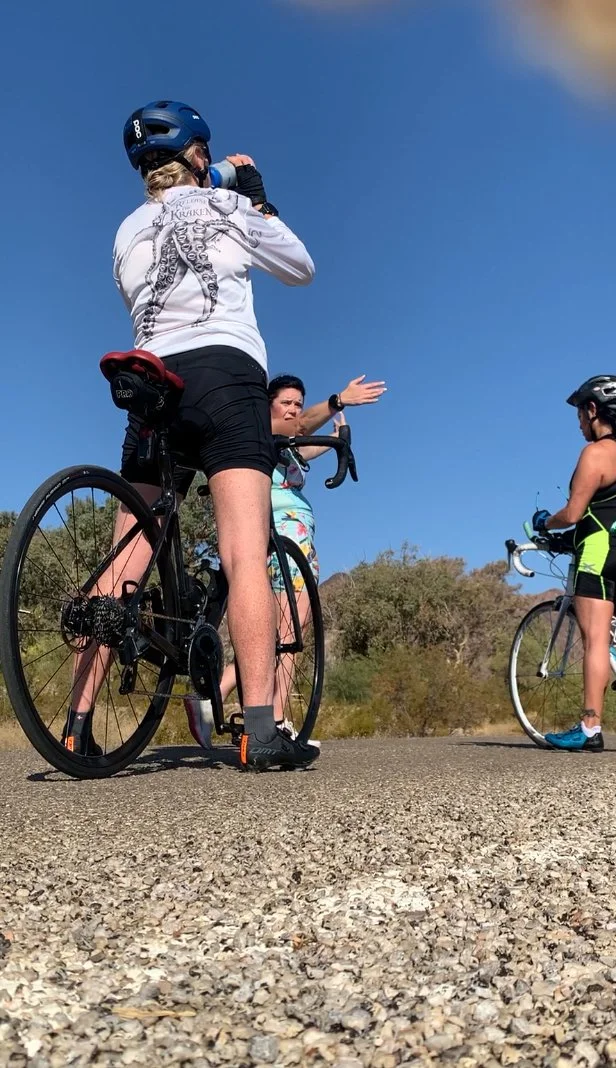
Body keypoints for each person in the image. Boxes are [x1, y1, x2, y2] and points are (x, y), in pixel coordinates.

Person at [64, 99, 319, 771]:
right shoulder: (226, 207)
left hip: (151, 378)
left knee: (124, 563)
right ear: (200, 157)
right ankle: (261, 733)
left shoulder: (126, 229)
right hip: (225, 374)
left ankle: (76, 725)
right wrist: (255, 196)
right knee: (243, 552)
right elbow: (300, 265)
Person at [184, 371, 387, 748]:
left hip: (282, 533)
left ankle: (218, 701)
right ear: (267, 406)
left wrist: (339, 439)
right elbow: (303, 426)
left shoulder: (282, 446)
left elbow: (308, 445)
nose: (294, 410)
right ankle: (275, 721)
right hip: (286, 533)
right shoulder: (264, 429)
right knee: (291, 631)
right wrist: (337, 401)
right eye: (287, 403)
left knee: (274, 634)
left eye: (297, 402)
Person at [530, 375, 616, 753]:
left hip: (598, 550)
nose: (578, 423)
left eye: (579, 414)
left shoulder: (593, 454)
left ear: (593, 411)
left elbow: (575, 512)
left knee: (596, 639)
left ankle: (590, 727)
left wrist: (545, 522)